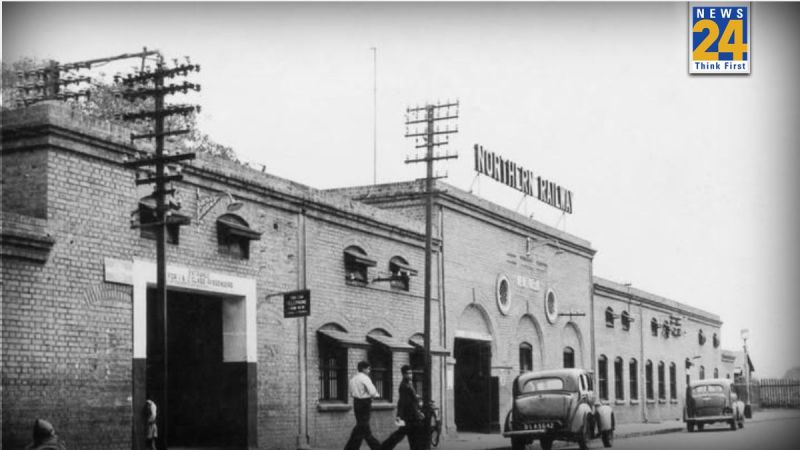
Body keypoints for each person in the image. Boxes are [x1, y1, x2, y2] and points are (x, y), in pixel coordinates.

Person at [381, 365, 425, 450]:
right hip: (410, 415)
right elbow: (405, 402)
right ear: (403, 374)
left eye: (411, 373)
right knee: (409, 435)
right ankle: (384, 447)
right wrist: (418, 413)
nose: (410, 375)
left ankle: (384, 447)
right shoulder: (405, 386)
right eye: (408, 373)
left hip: (409, 415)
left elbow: (405, 400)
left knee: (405, 434)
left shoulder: (409, 384)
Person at [344, 361, 382, 450]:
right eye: (368, 368)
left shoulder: (353, 379)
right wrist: (376, 395)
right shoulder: (365, 378)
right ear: (363, 369)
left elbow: (351, 392)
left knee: (361, 426)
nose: (369, 370)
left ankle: (351, 448)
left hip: (356, 403)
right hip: (365, 403)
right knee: (363, 427)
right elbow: (373, 392)